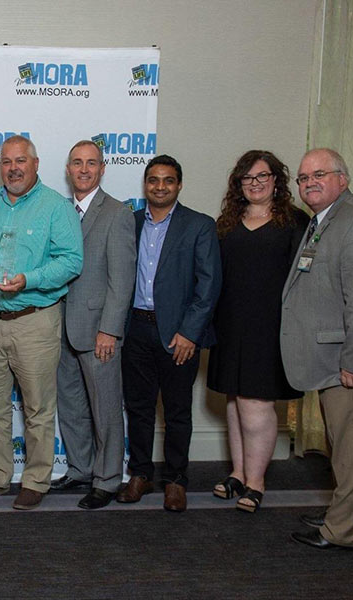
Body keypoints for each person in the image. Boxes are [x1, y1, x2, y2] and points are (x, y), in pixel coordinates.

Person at [0, 135, 83, 510]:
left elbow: (71, 261)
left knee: (37, 408)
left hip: (35, 320)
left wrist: (28, 280)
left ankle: (36, 479)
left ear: (35, 164)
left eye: (21, 161)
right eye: (6, 162)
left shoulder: (56, 207)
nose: (13, 168)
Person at [117, 154, 221, 512]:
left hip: (178, 336)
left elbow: (208, 285)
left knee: (177, 412)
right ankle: (140, 474)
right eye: (153, 180)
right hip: (135, 331)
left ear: (179, 185)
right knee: (139, 408)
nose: (160, 187)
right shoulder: (128, 223)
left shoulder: (199, 225)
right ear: (145, 185)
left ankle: (176, 480)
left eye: (168, 180)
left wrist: (190, 334)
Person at [207, 150, 309, 512]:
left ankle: (256, 482)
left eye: (262, 177)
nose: (255, 184)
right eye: (247, 178)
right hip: (230, 323)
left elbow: (306, 279)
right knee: (234, 402)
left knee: (255, 404)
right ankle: (238, 473)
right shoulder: (227, 222)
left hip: (271, 327)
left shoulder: (296, 222)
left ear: (276, 181)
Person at [283, 149, 353, 549]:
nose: (309, 182)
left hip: (347, 364)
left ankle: (345, 531)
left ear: (342, 178)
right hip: (331, 360)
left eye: (319, 174)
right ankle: (343, 514)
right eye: (302, 177)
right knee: (343, 446)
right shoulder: (327, 219)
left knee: (352, 453)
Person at [52, 141, 136, 510]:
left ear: (102, 169)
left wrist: (110, 330)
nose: (84, 169)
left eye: (91, 163)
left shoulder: (117, 213)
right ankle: (80, 469)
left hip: (97, 329)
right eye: (77, 163)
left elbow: (122, 280)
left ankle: (107, 479)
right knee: (71, 406)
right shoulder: (58, 211)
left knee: (104, 408)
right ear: (68, 169)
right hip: (60, 327)